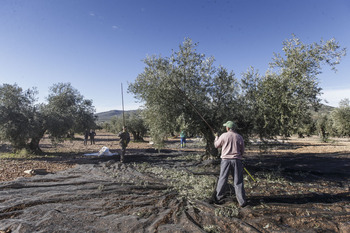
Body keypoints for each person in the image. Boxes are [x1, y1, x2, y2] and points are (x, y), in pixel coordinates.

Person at [212, 120, 247, 207]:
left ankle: (218, 197)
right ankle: (242, 202)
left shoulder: (223, 135)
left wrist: (216, 137)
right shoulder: (239, 137)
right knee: (238, 181)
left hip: (225, 161)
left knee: (222, 179)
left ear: (228, 128)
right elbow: (242, 151)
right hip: (237, 160)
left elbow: (216, 145)